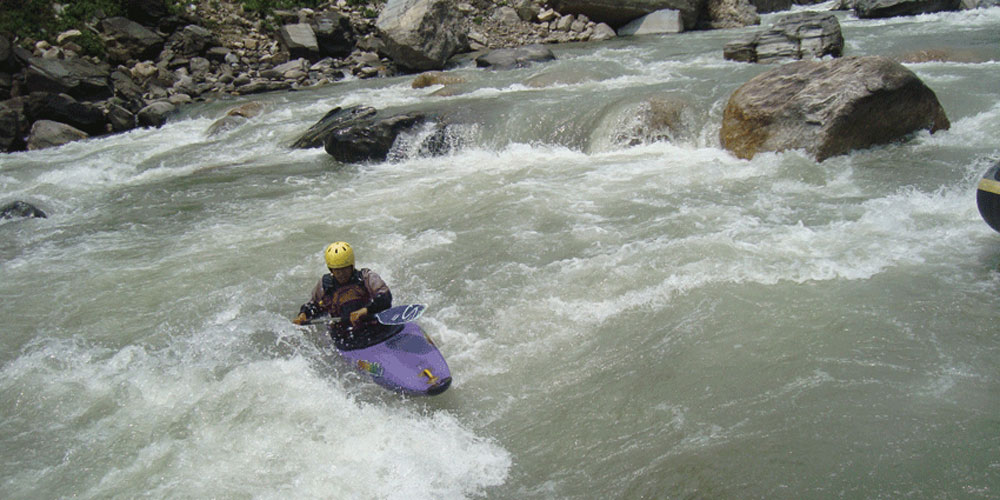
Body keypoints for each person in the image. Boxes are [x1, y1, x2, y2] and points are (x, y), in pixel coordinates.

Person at [292, 242, 392, 332]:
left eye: (345, 269)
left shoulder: (366, 277)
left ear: (352, 266)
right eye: (337, 270)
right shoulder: (325, 285)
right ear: (331, 270)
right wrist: (304, 314)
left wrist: (365, 311)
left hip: (371, 323)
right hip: (343, 333)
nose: (341, 274)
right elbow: (315, 306)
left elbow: (385, 298)